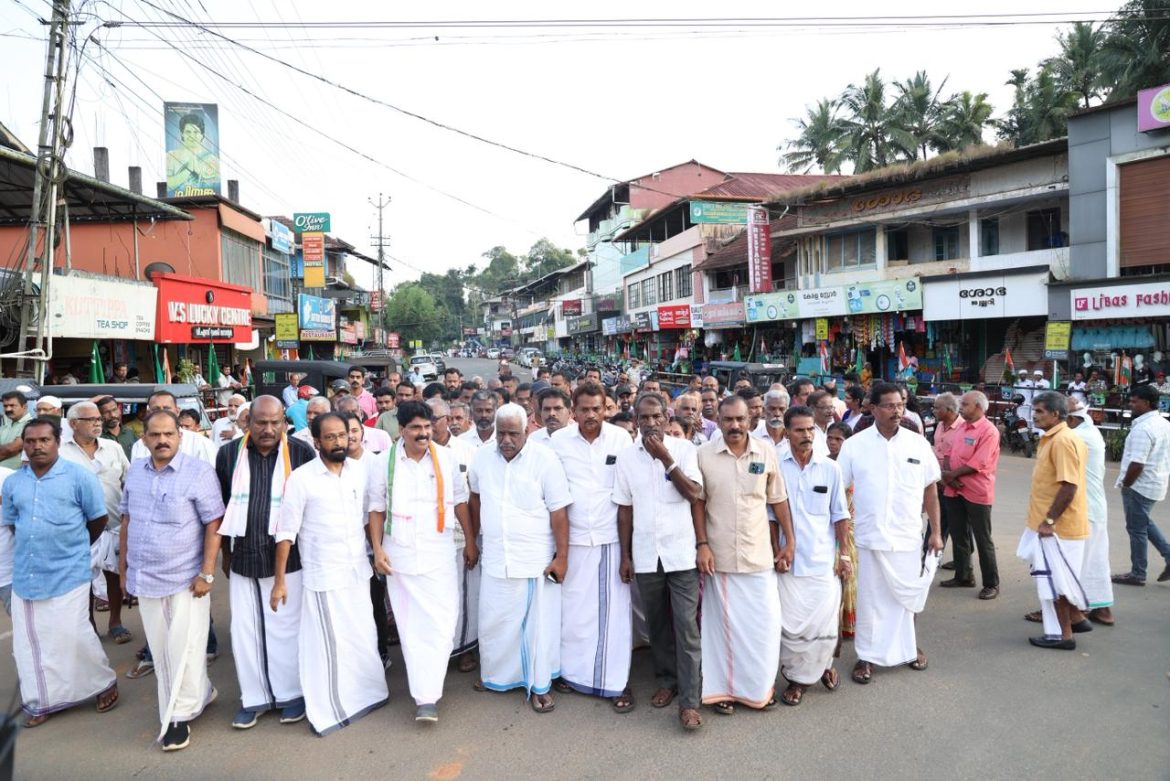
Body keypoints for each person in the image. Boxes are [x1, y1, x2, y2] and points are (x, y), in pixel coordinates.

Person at [272, 413, 389, 735]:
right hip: (325, 574)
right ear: (317, 441)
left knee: (362, 636)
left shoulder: (359, 472)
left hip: (357, 570)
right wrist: (280, 581)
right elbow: (286, 532)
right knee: (330, 645)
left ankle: (369, 695)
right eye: (332, 437)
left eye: (344, 435)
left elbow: (370, 516)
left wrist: (377, 551)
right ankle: (331, 708)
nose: (340, 442)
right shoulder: (301, 478)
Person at [3, 417, 119, 727]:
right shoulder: (14, 482)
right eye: (30, 441)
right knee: (30, 642)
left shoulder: (79, 477)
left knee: (73, 635)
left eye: (44, 440)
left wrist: (72, 547)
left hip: (69, 570)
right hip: (26, 574)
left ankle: (103, 682)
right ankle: (41, 700)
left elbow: (97, 521)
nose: (37, 446)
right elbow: (13, 523)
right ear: (24, 446)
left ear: (57, 442)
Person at [120, 410, 225, 751]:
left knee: (186, 647)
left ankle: (177, 715)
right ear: (144, 438)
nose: (162, 440)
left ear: (180, 436)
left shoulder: (198, 472)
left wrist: (207, 572)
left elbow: (214, 523)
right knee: (163, 646)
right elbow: (127, 520)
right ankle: (202, 693)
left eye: (169, 434)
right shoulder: (135, 472)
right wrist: (124, 569)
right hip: (145, 575)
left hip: (185, 577)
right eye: (155, 434)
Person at [367, 402, 474, 723]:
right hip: (399, 554)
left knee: (443, 623)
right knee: (412, 628)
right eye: (415, 428)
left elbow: (460, 503)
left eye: (427, 427)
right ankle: (425, 697)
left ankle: (431, 682)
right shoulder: (382, 463)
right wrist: (377, 549)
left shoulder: (446, 457)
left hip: (439, 553)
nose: (423, 433)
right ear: (401, 430)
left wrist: (471, 541)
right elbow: (375, 508)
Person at [216, 396, 316, 729]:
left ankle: (291, 695)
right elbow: (222, 508)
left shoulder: (301, 454)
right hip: (244, 556)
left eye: (276, 422)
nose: (268, 429)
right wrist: (226, 556)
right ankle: (254, 698)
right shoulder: (229, 454)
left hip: (290, 560)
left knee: (285, 630)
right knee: (245, 632)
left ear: (285, 423)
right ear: (248, 422)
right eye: (261, 422)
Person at [468, 403, 571, 714]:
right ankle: (496, 676)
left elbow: (560, 512)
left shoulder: (545, 460)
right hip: (497, 558)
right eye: (502, 433)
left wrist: (562, 557)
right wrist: (473, 540)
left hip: (534, 560)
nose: (506, 440)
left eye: (514, 433)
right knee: (494, 622)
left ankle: (539, 685)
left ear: (528, 430)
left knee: (537, 628)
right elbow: (475, 498)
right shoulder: (483, 457)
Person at [837, 382, 942, 684]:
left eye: (901, 405)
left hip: (907, 536)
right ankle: (866, 657)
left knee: (906, 599)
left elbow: (930, 490)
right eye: (889, 405)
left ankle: (907, 649)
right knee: (870, 602)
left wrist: (935, 532)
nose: (897, 411)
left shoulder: (917, 443)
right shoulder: (855, 445)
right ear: (872, 408)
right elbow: (839, 492)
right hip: (870, 539)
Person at [697, 396, 793, 714]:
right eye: (728, 420)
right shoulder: (704, 455)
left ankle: (758, 690)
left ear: (751, 419)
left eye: (740, 419)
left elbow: (777, 500)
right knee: (721, 631)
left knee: (763, 626)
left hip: (758, 556)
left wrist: (788, 542)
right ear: (719, 421)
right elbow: (698, 503)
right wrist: (702, 545)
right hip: (719, 558)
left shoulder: (766, 453)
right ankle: (722, 691)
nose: (735, 425)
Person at [614, 393, 705, 731]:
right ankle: (667, 680)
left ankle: (690, 702)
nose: (650, 424)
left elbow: (694, 493)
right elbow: (625, 509)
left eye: (656, 417)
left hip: (682, 554)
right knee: (658, 626)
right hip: (646, 554)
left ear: (667, 419)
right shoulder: (626, 458)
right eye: (644, 418)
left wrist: (666, 459)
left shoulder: (685, 450)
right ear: (635, 420)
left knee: (686, 627)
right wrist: (625, 555)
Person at [550, 382, 634, 711]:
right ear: (573, 411)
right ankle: (573, 674)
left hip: (610, 541)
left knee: (613, 618)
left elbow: (627, 497)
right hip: (572, 543)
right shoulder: (558, 442)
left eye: (596, 409)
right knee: (573, 614)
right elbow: (553, 497)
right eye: (583, 409)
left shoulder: (620, 439)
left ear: (606, 409)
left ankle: (616, 683)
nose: (590, 415)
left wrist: (627, 553)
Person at [775, 406, 851, 706]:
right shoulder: (776, 466)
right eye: (799, 430)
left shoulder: (830, 468)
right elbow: (770, 514)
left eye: (811, 430)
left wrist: (844, 555)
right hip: (788, 563)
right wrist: (775, 551)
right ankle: (797, 677)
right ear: (787, 432)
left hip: (822, 561)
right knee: (792, 628)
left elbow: (840, 515)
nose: (806, 435)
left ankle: (820, 669)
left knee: (823, 624)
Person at [1017, 392, 1090, 650]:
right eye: (1034, 411)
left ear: (1056, 414)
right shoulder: (1053, 438)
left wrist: (1049, 521)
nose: (1034, 415)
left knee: (1055, 581)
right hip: (1047, 523)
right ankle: (1077, 618)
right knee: (1054, 578)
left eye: (1039, 411)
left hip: (1059, 527)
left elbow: (1069, 487)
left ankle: (1064, 635)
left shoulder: (1062, 441)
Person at [60, 402, 132, 645]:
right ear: (73, 424)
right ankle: (89, 625)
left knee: (113, 576)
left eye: (98, 418)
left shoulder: (113, 448)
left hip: (113, 525)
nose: (98, 422)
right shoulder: (61, 453)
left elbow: (128, 481)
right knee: (84, 581)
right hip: (78, 530)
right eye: (90, 419)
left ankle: (115, 622)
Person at [426, 397, 480, 671]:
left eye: (436, 418)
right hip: (430, 539)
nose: (431, 425)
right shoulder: (418, 451)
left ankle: (465, 648)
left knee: (464, 594)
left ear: (448, 419)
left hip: (461, 534)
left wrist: (473, 539)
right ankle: (440, 650)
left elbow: (472, 499)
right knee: (437, 598)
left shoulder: (467, 451)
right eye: (427, 419)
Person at [940, 391, 1002, 600]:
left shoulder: (989, 431)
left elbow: (980, 462)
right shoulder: (961, 427)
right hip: (954, 488)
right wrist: (949, 477)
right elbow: (949, 454)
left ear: (979, 407)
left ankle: (991, 583)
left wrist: (952, 475)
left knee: (983, 539)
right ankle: (963, 575)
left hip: (976, 491)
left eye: (965, 404)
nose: (961, 407)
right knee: (959, 534)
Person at [1112, 383, 1170, 586]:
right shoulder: (1162, 423)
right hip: (1156, 482)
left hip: (1139, 486)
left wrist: (1127, 484)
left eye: (1134, 401)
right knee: (1143, 523)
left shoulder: (1143, 428)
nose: (1130, 404)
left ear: (1146, 402)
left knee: (1136, 529)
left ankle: (1138, 573)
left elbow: (1137, 463)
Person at [1063, 398, 1114, 626]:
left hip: (1084, 508)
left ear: (1071, 419)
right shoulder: (1089, 432)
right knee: (1095, 560)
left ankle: (1071, 612)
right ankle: (1102, 609)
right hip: (1093, 507)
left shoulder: (1077, 437)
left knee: (1071, 561)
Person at [130, 391, 217, 466]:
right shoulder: (139, 446)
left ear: (177, 411)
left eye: (166, 408)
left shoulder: (200, 444)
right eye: (156, 409)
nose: (162, 413)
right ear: (148, 413)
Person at [930, 393, 962, 566]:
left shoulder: (963, 427)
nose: (933, 411)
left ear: (949, 410)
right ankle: (931, 558)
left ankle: (961, 561)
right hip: (938, 480)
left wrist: (948, 479)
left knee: (958, 526)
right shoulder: (939, 426)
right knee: (937, 521)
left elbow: (959, 458)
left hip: (955, 483)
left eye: (937, 408)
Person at [166, 111, 218, 194]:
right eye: (188, 132)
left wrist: (201, 175)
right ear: (182, 134)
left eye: (196, 132)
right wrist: (188, 170)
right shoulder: (170, 156)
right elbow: (167, 186)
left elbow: (216, 188)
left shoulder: (212, 160)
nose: (192, 136)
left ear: (202, 135)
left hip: (205, 205)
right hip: (175, 204)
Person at [98, 395, 138, 460]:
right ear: (100, 415)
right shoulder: (97, 437)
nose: (112, 415)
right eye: (106, 412)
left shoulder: (129, 432)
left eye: (114, 410)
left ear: (119, 410)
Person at [0, 390, 33, 470]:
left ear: (24, 407)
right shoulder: (5, 425)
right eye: (5, 406)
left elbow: (11, 449)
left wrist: (7, 448)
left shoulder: (31, 425)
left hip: (15, 475)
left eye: (12, 405)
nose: (8, 409)